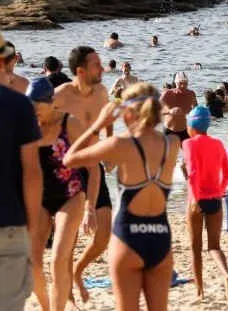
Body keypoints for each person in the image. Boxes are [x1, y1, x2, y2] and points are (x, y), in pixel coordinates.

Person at [64, 83, 180, 311]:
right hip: (160, 237)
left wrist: (99, 125)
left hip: (128, 239)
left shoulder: (120, 144)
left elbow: (70, 159)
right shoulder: (172, 144)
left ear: (128, 113)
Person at [26, 77, 100, 311]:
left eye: (37, 107)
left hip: (71, 196)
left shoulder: (71, 124)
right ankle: (47, 307)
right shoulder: (28, 127)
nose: (34, 113)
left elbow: (94, 167)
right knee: (32, 263)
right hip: (40, 199)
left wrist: (90, 208)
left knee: (58, 260)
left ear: (51, 103)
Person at [53, 46, 112, 303]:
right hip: (69, 169)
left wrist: (110, 146)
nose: (102, 68)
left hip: (94, 164)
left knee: (103, 235)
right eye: (96, 64)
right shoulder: (60, 96)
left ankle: (78, 272)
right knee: (69, 238)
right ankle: (67, 296)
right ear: (80, 71)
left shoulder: (101, 92)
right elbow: (39, 124)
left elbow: (108, 118)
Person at [0, 24, 42, 311]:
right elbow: (32, 173)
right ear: (1, 61)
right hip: (8, 224)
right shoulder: (18, 105)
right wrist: (32, 228)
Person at [181, 106, 228, 303]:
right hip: (215, 199)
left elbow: (193, 172)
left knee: (195, 248)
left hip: (196, 200)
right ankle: (226, 274)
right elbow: (227, 172)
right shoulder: (218, 143)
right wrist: (219, 191)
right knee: (214, 247)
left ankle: (200, 292)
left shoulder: (188, 144)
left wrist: (196, 198)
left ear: (191, 125)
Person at [160, 72, 197, 142]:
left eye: (185, 83)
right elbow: (155, 110)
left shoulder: (191, 94)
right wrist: (169, 111)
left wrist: (192, 114)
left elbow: (196, 111)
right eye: (180, 83)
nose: (183, 86)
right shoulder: (167, 94)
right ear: (175, 83)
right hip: (169, 130)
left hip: (185, 130)